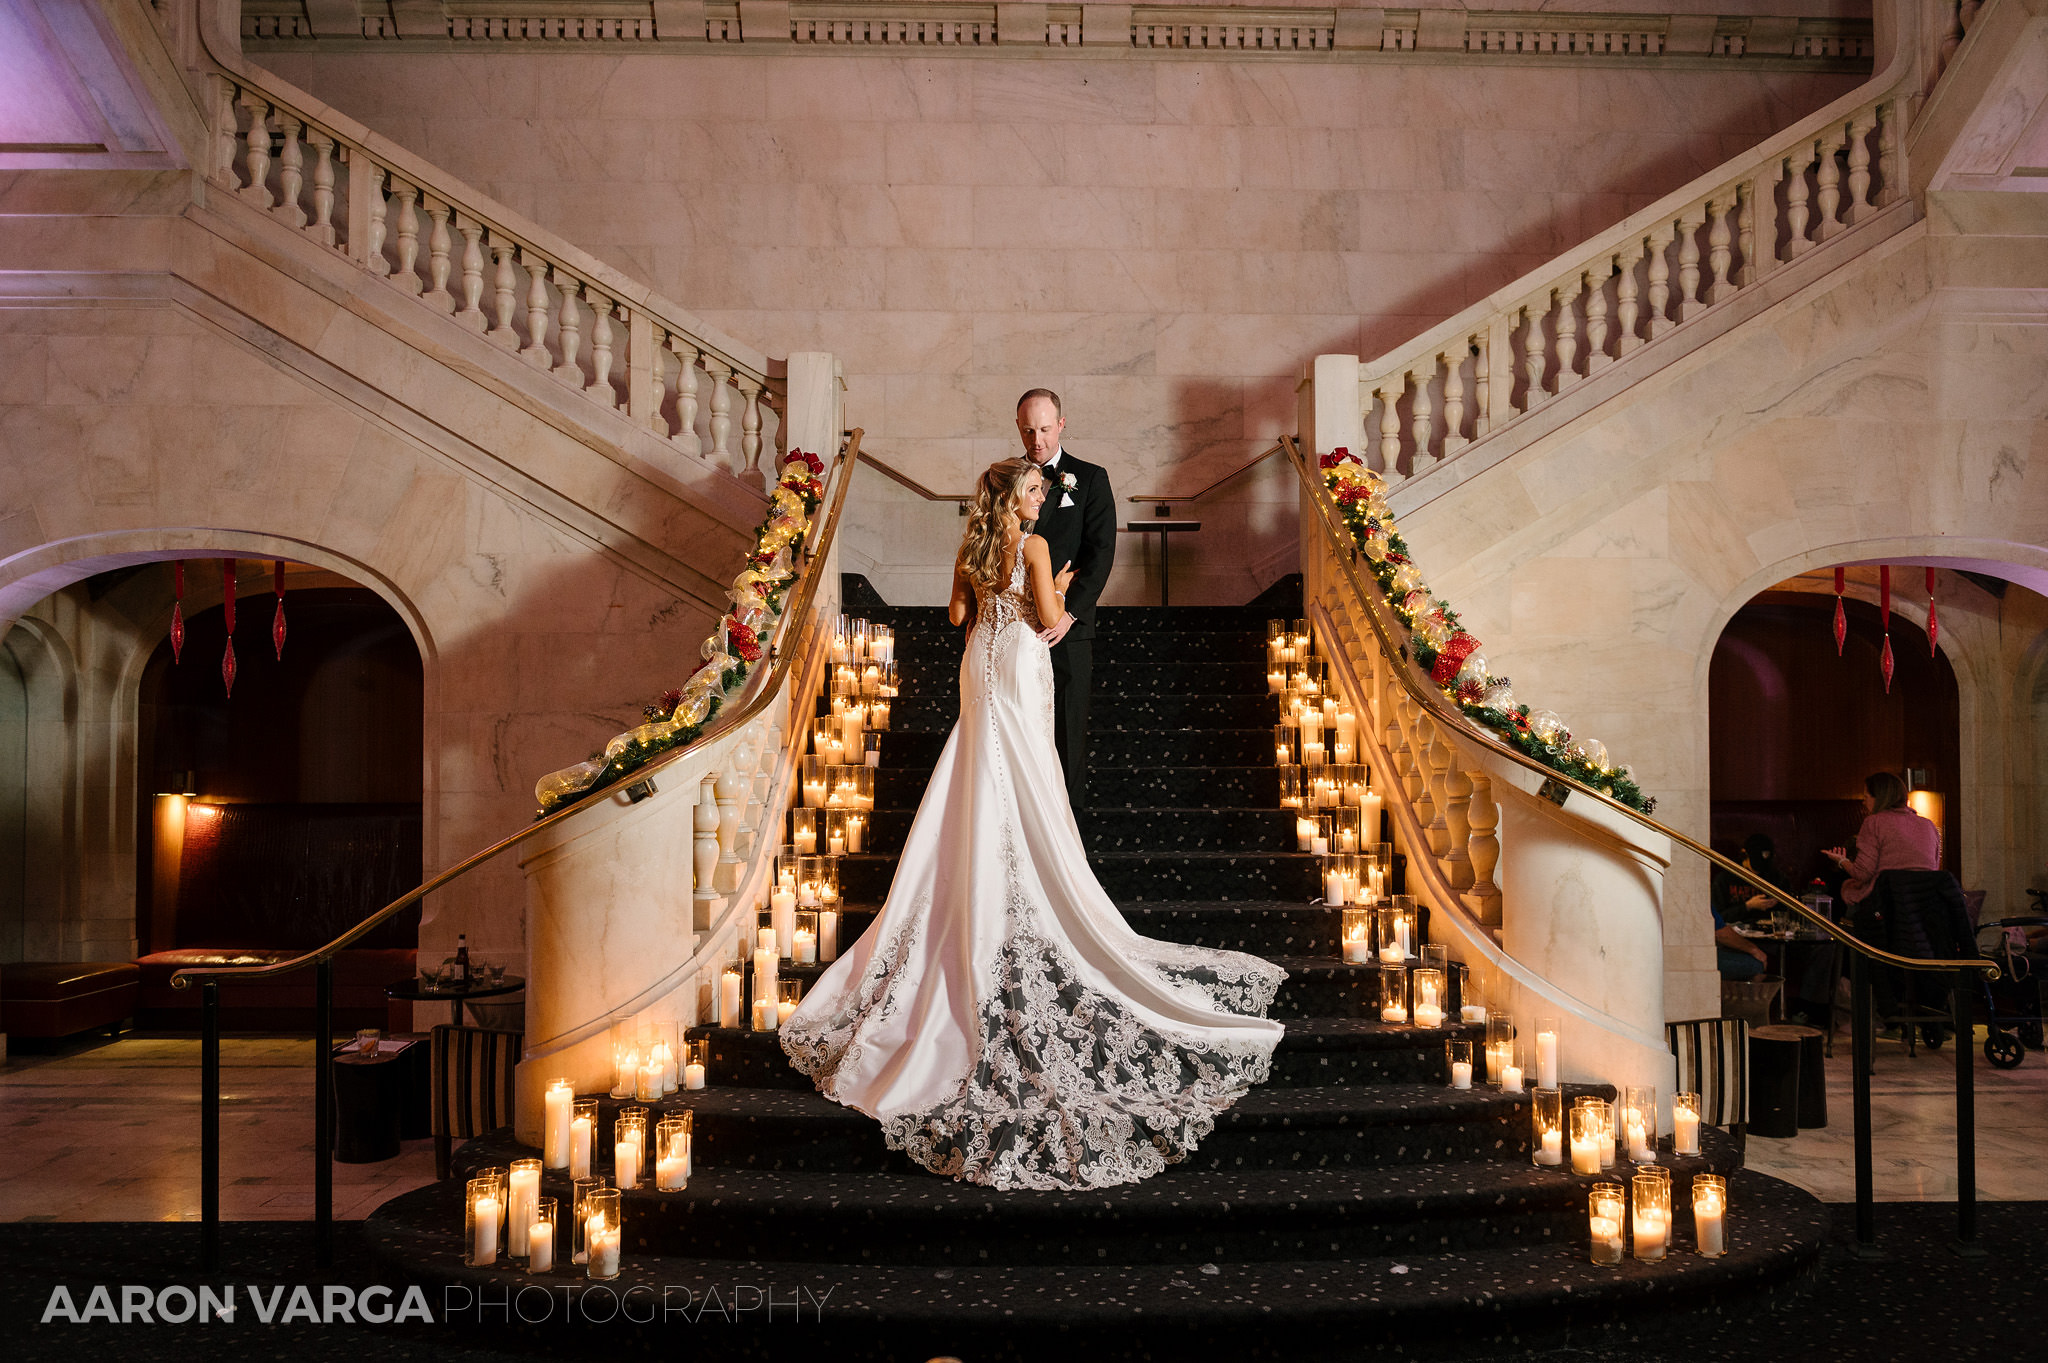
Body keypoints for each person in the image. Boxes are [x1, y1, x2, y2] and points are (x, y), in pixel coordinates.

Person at [780, 457, 1284, 1190]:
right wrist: (1064, 583)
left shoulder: (972, 545)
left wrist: (989, 591)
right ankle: (1024, 881)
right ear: (1016, 498)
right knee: (1026, 771)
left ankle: (982, 878)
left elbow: (956, 616)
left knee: (980, 765)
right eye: (1035, 491)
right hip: (1019, 658)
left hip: (980, 660)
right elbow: (1050, 618)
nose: (1043, 497)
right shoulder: (1039, 546)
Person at [1014, 389, 1116, 814]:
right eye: (1027, 429)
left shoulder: (1090, 478)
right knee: (1020, 734)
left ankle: (1068, 839)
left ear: (1061, 424)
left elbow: (1100, 553)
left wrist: (1070, 613)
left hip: (1067, 631)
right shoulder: (1006, 478)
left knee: (1068, 735)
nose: (1036, 439)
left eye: (1043, 428)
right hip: (1016, 629)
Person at [1823, 771, 1942, 906]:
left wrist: (1842, 861)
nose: (1863, 802)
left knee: (1837, 882)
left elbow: (1862, 873)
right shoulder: (1928, 824)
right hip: (1924, 901)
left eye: (1866, 797)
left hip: (1886, 901)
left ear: (1878, 798)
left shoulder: (1874, 822)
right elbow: (1934, 868)